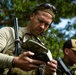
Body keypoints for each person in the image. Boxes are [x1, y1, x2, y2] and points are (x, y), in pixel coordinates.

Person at [0, 3, 57, 75]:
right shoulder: (8, 33)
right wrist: (14, 61)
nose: (42, 27)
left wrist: (51, 73)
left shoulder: (45, 52)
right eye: (40, 21)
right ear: (32, 16)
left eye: (47, 24)